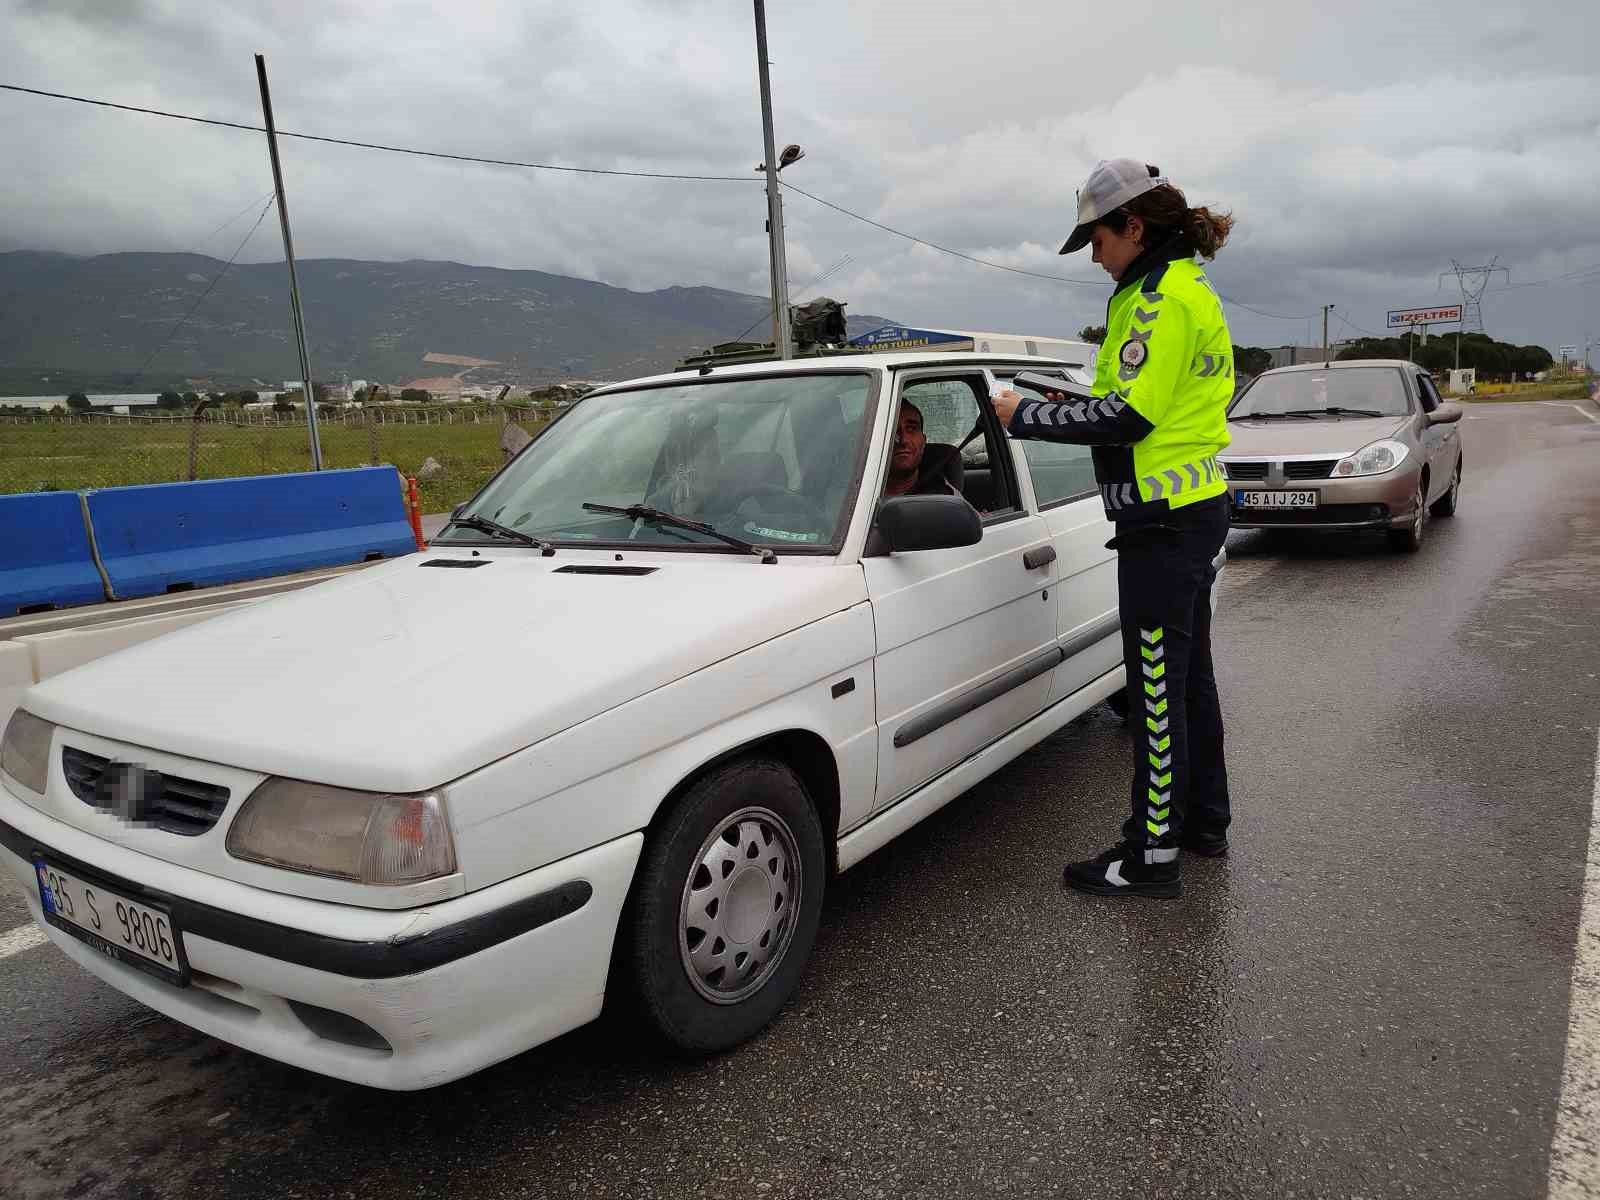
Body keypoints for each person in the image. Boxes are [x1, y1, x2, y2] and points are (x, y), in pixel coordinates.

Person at [990, 159, 1236, 899]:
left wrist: (1022, 415)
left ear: (1134, 227)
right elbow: (1132, 396)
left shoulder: (1156, 299)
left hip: (1164, 521)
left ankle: (1150, 856)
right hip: (1190, 509)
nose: (1093, 255)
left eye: (1095, 237)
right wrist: (1072, 397)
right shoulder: (1187, 288)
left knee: (1157, 689)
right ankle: (1203, 825)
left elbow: (1127, 415)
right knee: (1189, 684)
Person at [884, 400, 961, 497]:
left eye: (911, 428)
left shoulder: (945, 499)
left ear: (923, 442)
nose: (903, 440)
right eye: (893, 429)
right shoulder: (861, 494)